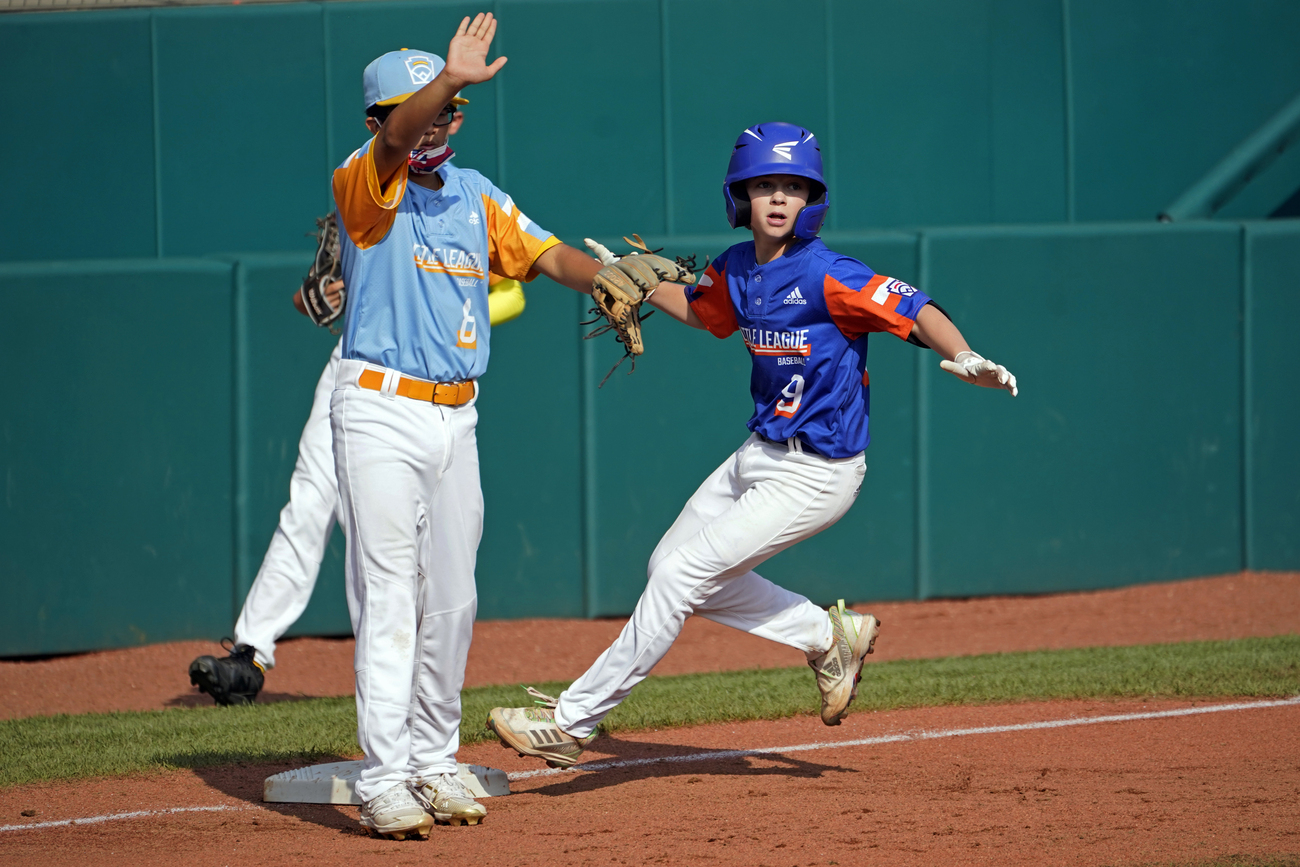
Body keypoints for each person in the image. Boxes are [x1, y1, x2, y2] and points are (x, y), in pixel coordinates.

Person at [487, 120, 1018, 769]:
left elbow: (912, 306)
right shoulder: (737, 268)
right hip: (759, 454)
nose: (777, 197)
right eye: (764, 183)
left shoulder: (829, 275)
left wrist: (963, 354)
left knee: (683, 576)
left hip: (820, 472)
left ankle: (571, 720)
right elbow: (703, 311)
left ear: (811, 198)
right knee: (670, 569)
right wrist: (629, 277)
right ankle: (828, 635)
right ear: (741, 194)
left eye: (792, 186)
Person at [327, 15, 604, 839]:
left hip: (456, 418)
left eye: (450, 110)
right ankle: (383, 775)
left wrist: (616, 280)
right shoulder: (364, 182)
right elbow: (396, 144)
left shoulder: (475, 193)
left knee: (452, 597)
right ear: (381, 119)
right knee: (389, 595)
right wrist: (445, 79)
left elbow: (551, 255)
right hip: (379, 407)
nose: (441, 120)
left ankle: (433, 757)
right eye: (424, 107)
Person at [188, 115, 527, 709]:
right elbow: (311, 296)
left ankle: (410, 682)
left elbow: (513, 292)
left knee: (402, 549)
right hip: (360, 370)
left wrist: (440, 316)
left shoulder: (463, 202)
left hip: (433, 381)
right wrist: (321, 297)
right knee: (309, 500)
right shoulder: (365, 192)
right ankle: (251, 651)